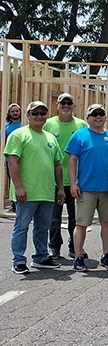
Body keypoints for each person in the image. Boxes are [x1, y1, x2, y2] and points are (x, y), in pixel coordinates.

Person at [6, 101, 65, 274]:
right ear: (28, 115)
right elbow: (12, 162)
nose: (39, 116)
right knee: (22, 226)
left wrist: (60, 188)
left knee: (43, 227)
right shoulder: (19, 135)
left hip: (46, 191)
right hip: (26, 192)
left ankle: (40, 257)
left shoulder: (50, 137)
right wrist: (18, 187)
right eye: (35, 113)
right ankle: (18, 260)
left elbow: (57, 165)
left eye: (42, 113)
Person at [65, 104, 108, 272]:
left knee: (107, 224)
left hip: (106, 188)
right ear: (88, 118)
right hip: (86, 188)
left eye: (101, 114)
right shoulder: (79, 135)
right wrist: (73, 184)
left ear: (105, 117)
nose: (98, 117)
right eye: (94, 114)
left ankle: (106, 255)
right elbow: (72, 160)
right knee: (82, 224)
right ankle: (78, 257)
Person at [43, 93, 88, 259]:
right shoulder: (48, 125)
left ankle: (74, 247)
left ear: (74, 106)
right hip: (54, 180)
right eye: (63, 103)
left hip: (76, 180)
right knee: (54, 217)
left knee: (75, 218)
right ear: (57, 106)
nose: (66, 106)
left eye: (69, 103)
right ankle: (54, 247)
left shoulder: (81, 125)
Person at [4, 102, 22, 213]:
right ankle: (13, 204)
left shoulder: (25, 124)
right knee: (12, 180)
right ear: (9, 113)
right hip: (9, 159)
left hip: (24, 158)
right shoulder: (6, 126)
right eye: (13, 111)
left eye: (17, 111)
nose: (15, 113)